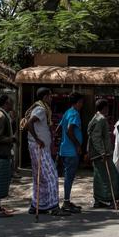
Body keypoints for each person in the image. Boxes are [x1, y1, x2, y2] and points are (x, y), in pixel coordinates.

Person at [27, 88, 70, 216]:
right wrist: (38, 139)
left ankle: (38, 205)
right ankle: (54, 206)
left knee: (40, 178)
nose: (51, 98)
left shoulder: (41, 109)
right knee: (51, 176)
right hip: (39, 148)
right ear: (45, 97)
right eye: (50, 96)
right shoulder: (40, 109)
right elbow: (29, 124)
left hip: (38, 147)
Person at [87, 99, 119, 209]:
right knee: (111, 176)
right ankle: (109, 200)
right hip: (101, 154)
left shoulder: (95, 118)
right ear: (105, 108)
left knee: (99, 176)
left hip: (97, 153)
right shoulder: (101, 119)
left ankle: (98, 200)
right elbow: (96, 137)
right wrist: (102, 152)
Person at [58, 92, 85, 213]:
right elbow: (69, 130)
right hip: (71, 151)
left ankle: (67, 201)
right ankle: (66, 202)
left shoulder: (67, 112)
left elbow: (59, 128)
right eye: (81, 102)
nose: (82, 104)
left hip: (65, 149)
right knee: (69, 177)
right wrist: (77, 145)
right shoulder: (74, 113)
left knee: (68, 176)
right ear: (78, 102)